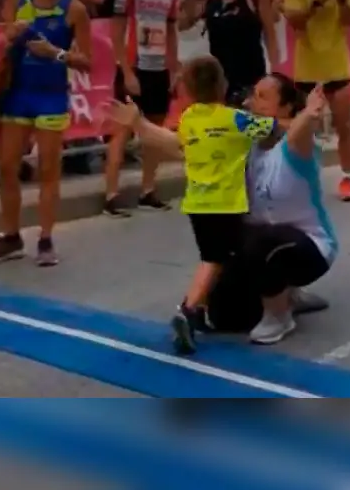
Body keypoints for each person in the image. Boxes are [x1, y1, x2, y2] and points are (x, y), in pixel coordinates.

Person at [109, 73, 337, 346]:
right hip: (256, 248)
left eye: (263, 97)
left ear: (286, 107)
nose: (252, 102)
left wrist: (309, 114)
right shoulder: (242, 141)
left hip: (310, 248)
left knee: (264, 240)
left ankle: (279, 315)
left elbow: (297, 133)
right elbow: (181, 146)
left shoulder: (297, 148)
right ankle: (286, 294)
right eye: (253, 95)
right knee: (224, 315)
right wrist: (139, 123)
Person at [0, 0, 92, 266]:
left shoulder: (75, 9)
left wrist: (56, 53)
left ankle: (46, 239)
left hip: (51, 97)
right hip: (17, 94)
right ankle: (11, 237)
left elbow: (87, 61)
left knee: (48, 169)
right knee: (7, 167)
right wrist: (9, 36)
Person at [101, 0, 181, 217]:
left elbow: (171, 30)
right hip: (134, 68)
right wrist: (126, 72)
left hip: (159, 71)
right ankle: (111, 195)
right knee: (122, 131)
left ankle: (148, 190)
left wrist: (173, 69)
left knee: (154, 131)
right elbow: (117, 32)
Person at [282, 0, 350, 201]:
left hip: (337, 64)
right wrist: (317, 2)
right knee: (304, 130)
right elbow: (295, 22)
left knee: (344, 124)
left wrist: (342, 0)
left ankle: (347, 177)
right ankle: (303, 179)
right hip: (307, 67)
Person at [177, 0, 281, 106]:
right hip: (220, 81)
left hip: (249, 78)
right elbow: (181, 25)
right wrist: (190, 1)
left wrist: (275, 74)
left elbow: (270, 34)